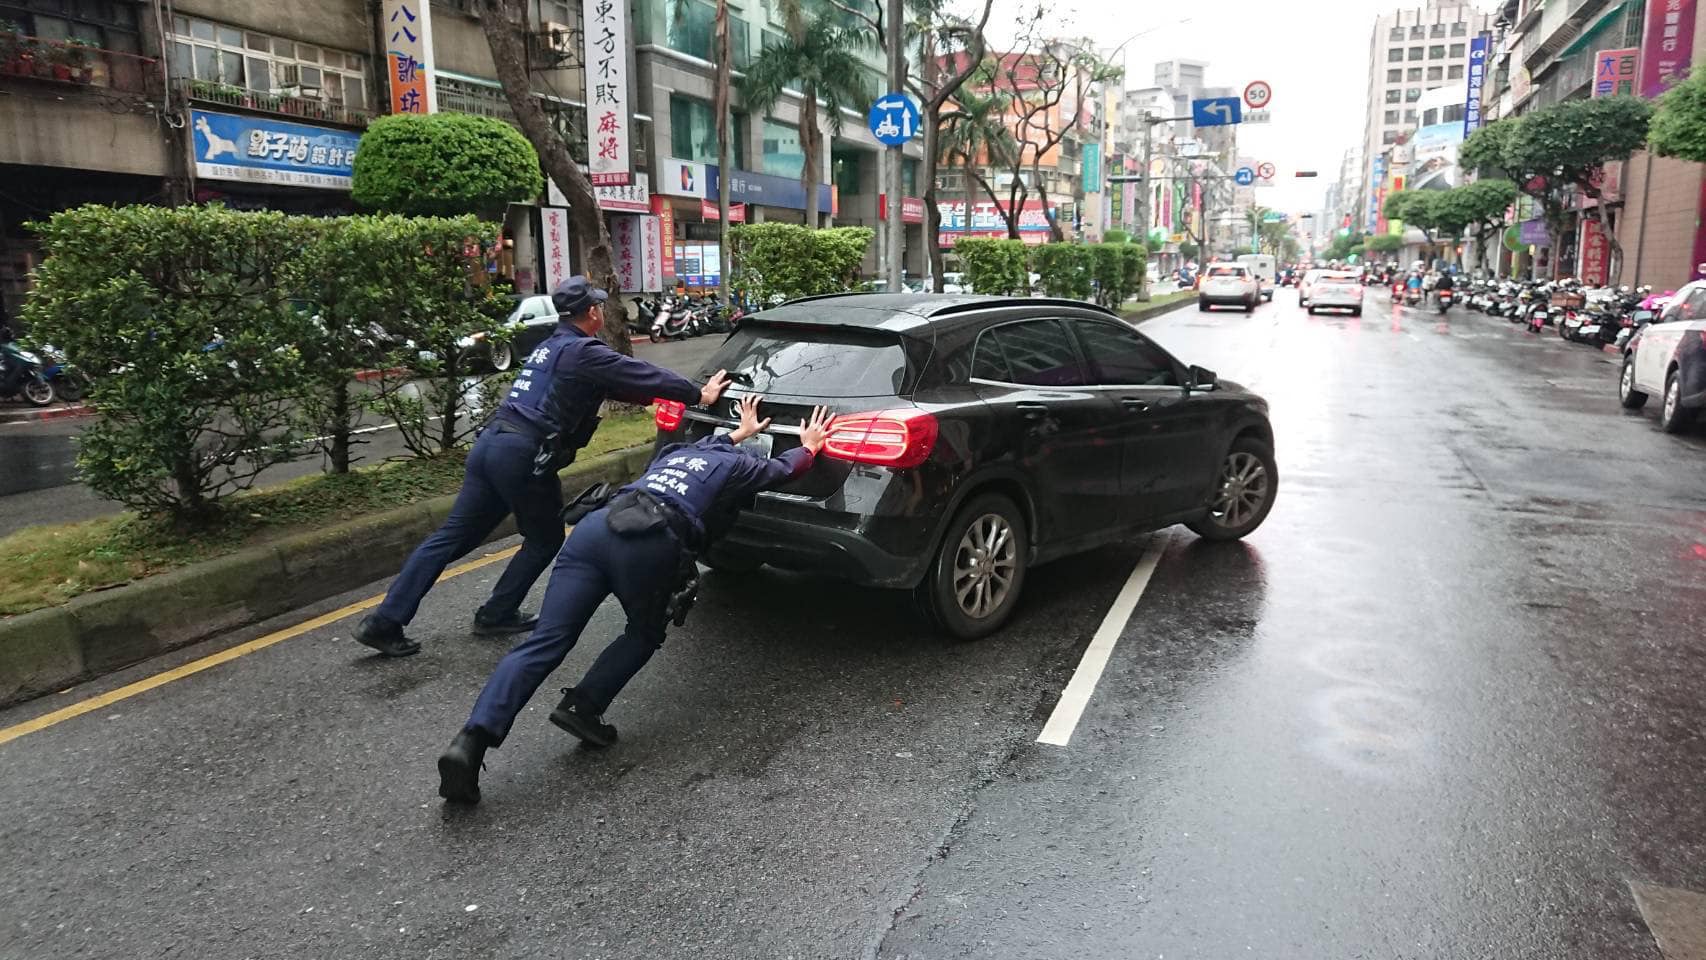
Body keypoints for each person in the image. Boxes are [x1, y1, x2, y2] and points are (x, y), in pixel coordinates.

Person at [436, 395, 833, 804]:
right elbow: (784, 469)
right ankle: (584, 707)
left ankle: (471, 740)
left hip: (595, 529)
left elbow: (711, 450)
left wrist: (737, 432)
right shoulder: (738, 465)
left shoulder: (676, 453)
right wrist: (809, 446)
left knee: (546, 641)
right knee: (644, 630)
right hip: (649, 542)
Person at [353, 276, 731, 658]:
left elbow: (618, 385)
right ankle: (497, 612)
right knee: (546, 538)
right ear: (593, 312)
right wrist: (697, 393)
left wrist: (651, 396)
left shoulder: (551, 347)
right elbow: (641, 373)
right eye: (598, 305)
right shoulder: (585, 352)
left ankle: (384, 621)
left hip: (492, 445)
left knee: (451, 536)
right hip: (523, 455)